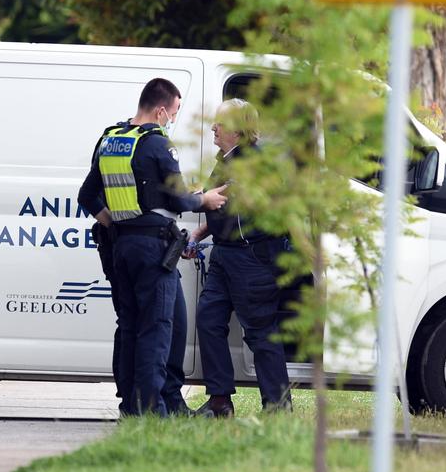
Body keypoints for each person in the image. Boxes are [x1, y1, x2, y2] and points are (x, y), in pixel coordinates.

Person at [77, 78, 227, 417]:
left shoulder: (111, 139)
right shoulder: (158, 143)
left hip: (121, 247)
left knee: (129, 326)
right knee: (156, 329)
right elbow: (179, 198)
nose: (172, 119)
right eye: (173, 113)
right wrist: (206, 198)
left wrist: (116, 223)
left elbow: (87, 196)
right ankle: (153, 413)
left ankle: (131, 407)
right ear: (161, 109)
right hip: (154, 249)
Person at [187, 99, 292, 417]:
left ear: (236, 129)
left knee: (260, 333)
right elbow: (223, 209)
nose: (213, 129)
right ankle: (220, 402)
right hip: (225, 254)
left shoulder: (256, 162)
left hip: (251, 260)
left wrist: (193, 198)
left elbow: (223, 199)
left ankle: (278, 407)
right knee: (208, 320)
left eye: (218, 123)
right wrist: (198, 234)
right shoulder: (228, 159)